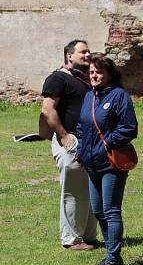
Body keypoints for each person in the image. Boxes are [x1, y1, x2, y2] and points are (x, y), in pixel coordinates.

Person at [76, 54, 138, 265]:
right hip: (91, 163)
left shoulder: (120, 96)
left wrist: (106, 144)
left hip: (111, 163)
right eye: (92, 71)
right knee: (98, 209)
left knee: (111, 210)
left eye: (99, 71)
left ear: (109, 74)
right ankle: (112, 253)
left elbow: (129, 128)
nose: (94, 75)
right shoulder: (89, 97)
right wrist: (81, 149)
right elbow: (82, 127)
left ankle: (113, 260)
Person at [40, 39, 99, 251]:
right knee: (73, 191)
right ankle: (71, 240)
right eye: (83, 52)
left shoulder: (84, 80)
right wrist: (64, 136)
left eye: (89, 51)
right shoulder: (58, 78)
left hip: (89, 142)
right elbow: (48, 110)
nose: (88, 55)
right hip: (70, 142)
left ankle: (89, 236)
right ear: (69, 55)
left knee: (90, 189)